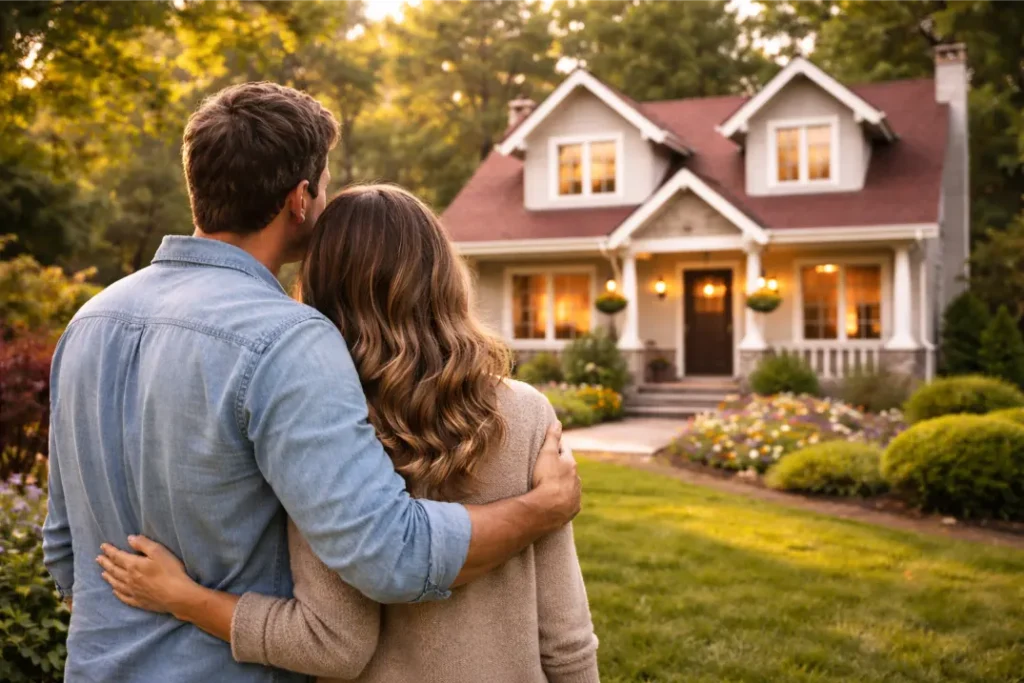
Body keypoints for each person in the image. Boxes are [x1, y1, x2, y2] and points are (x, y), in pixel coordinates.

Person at [42, 82, 581, 683]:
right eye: (323, 189)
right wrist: (541, 509)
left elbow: (64, 547)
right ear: (300, 199)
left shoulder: (89, 321)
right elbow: (389, 555)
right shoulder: (285, 340)